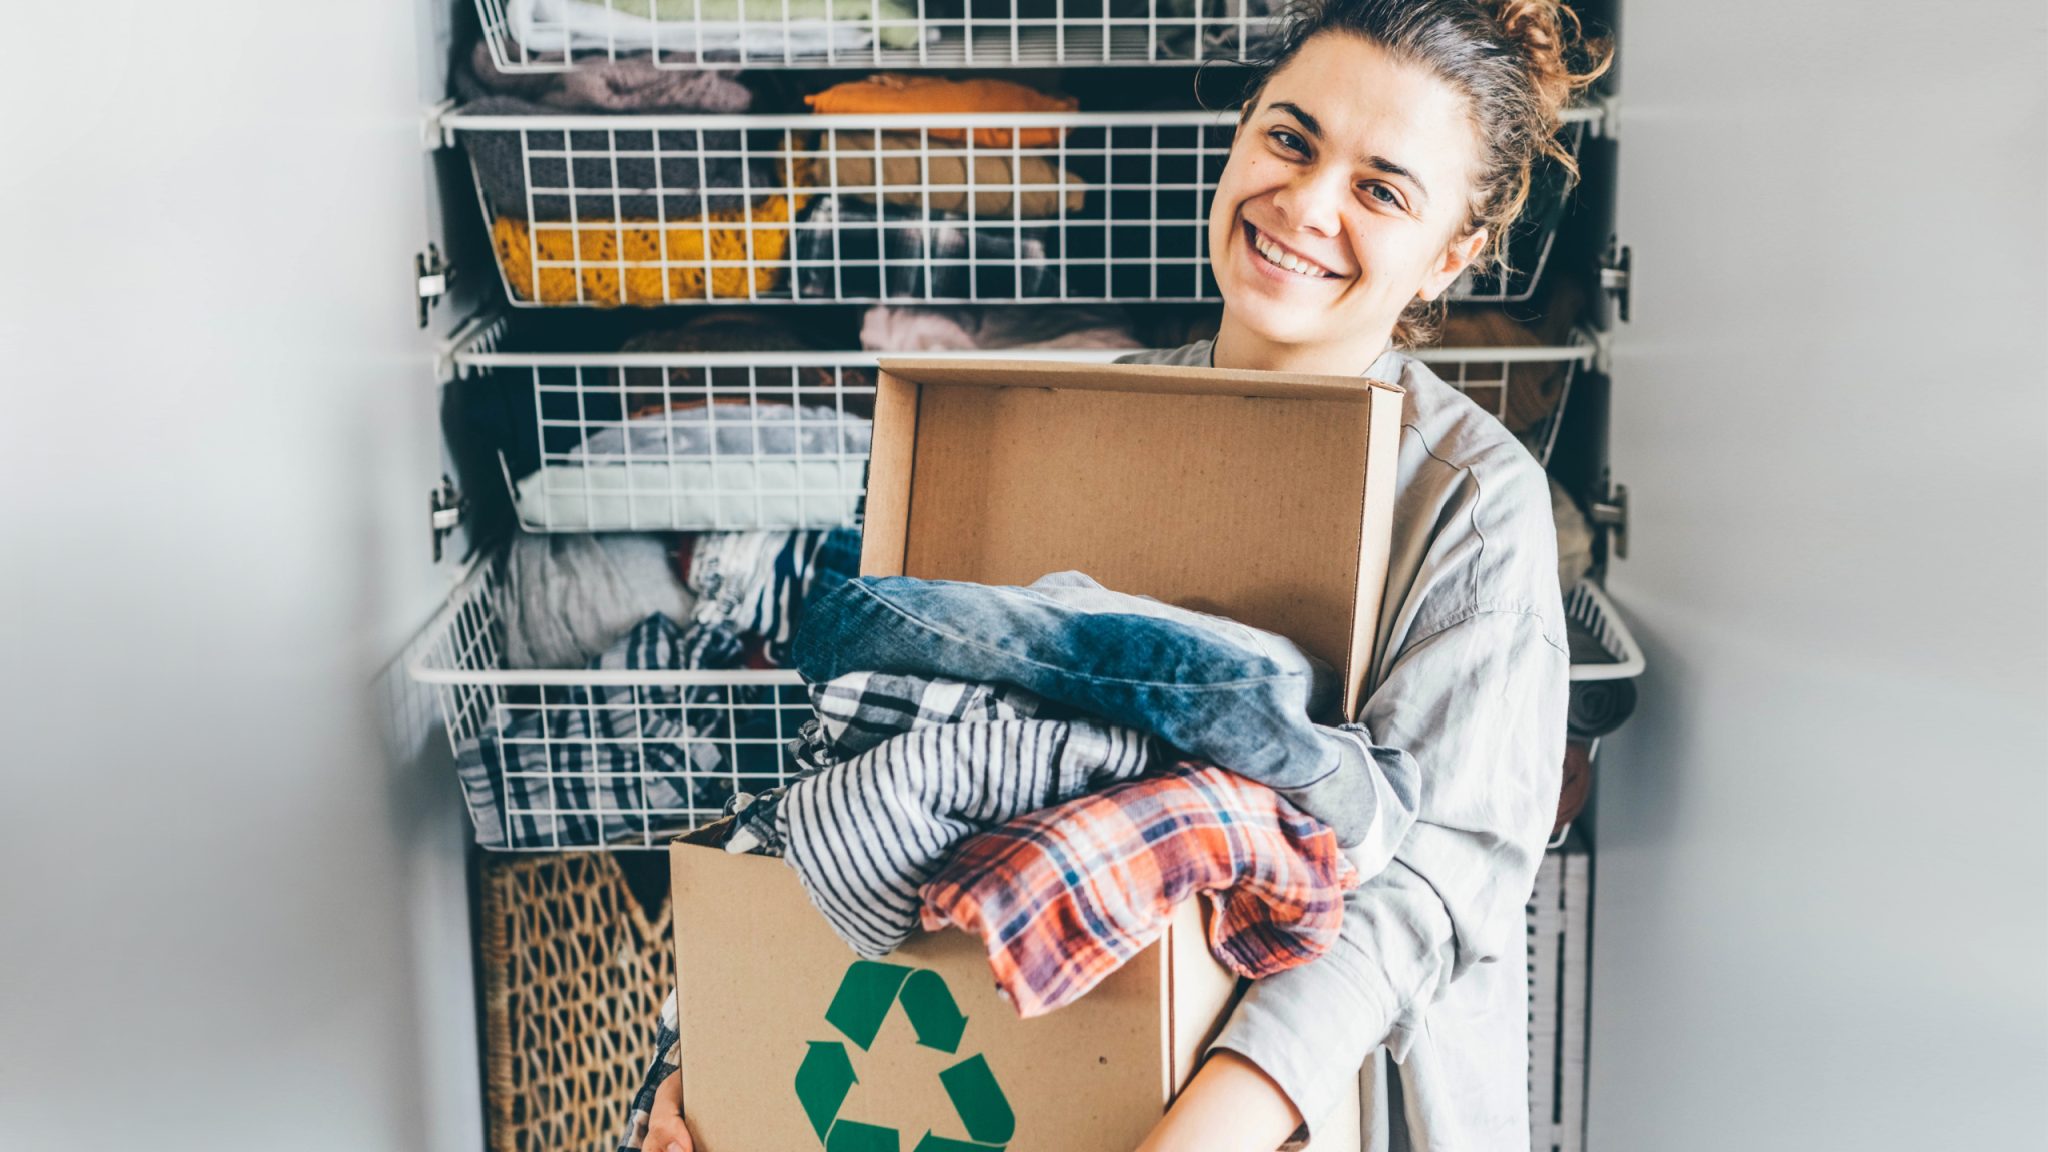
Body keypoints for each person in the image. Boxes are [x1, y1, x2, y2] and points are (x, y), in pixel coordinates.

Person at [640, 0, 1608, 1148]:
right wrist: (705, 1053)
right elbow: (860, 768)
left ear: (1451, 252)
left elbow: (1420, 899)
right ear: (1240, 131)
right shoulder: (1050, 413)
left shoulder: (1468, 507)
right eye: (1288, 139)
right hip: (1008, 1068)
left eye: (1380, 189)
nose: (1303, 206)